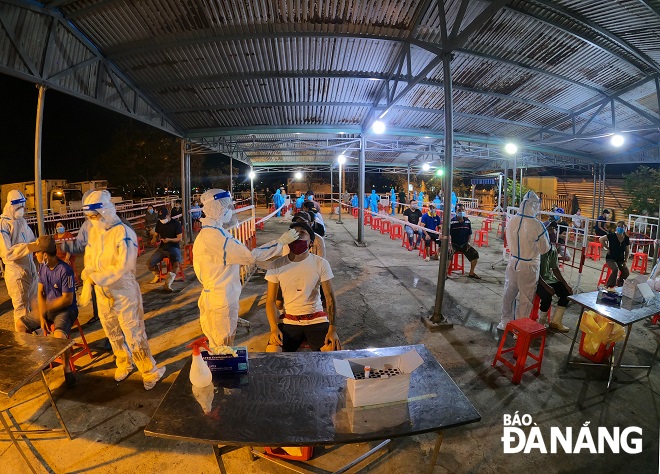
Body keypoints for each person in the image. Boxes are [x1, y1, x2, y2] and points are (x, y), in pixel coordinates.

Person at [192, 189, 298, 353]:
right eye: (226, 207)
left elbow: (228, 261)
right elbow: (249, 256)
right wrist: (280, 243)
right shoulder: (217, 237)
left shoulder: (207, 234)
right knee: (223, 349)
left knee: (216, 346)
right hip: (222, 299)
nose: (229, 211)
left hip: (212, 296)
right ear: (216, 209)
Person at [80, 190, 166, 390]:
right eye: (90, 218)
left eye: (95, 216)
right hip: (102, 292)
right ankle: (124, 362)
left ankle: (148, 369)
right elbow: (89, 259)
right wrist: (87, 279)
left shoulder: (123, 232)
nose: (93, 221)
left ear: (106, 212)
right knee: (111, 330)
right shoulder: (94, 232)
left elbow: (123, 266)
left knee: (133, 331)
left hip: (123, 290)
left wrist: (95, 278)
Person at [265, 221, 340, 352]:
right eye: (294, 232)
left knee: (333, 351)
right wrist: (274, 329)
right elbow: (270, 301)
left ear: (311, 242)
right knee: (272, 352)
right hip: (289, 320)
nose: (298, 235)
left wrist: (332, 330)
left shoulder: (321, 263)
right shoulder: (276, 265)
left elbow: (330, 298)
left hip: (316, 319)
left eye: (302, 233)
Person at [16, 236, 78, 387]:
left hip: (65, 310)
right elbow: (40, 292)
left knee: (59, 337)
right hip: (48, 309)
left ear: (44, 254)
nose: (34, 255)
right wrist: (42, 315)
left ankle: (67, 369)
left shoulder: (65, 270)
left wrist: (46, 308)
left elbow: (67, 300)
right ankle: (39, 359)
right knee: (20, 325)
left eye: (36, 252)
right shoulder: (42, 267)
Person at [499, 191, 551, 330]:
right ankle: (519, 329)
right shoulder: (537, 225)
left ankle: (505, 322)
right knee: (525, 298)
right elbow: (545, 249)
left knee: (509, 292)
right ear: (533, 206)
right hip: (529, 265)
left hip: (513, 261)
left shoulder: (512, 220)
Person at [0, 190, 40, 330]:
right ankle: (25, 344)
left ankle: (40, 340)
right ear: (10, 206)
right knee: (21, 310)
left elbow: (31, 240)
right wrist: (29, 247)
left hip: (30, 270)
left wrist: (39, 243)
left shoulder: (22, 221)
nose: (21, 210)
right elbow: (7, 253)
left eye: (22, 207)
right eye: (18, 208)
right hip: (16, 273)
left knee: (35, 306)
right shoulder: (3, 224)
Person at [535, 222, 573, 332]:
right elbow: (534, 271)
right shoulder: (536, 248)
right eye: (550, 229)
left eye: (554, 229)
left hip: (548, 279)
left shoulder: (552, 248)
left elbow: (555, 270)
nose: (553, 231)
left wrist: (566, 284)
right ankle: (540, 323)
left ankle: (556, 322)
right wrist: (546, 286)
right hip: (536, 280)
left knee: (567, 293)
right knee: (547, 296)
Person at [146, 207, 182, 292]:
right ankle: (157, 275)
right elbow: (156, 234)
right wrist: (154, 239)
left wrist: (169, 239)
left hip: (173, 247)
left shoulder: (176, 223)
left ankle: (168, 283)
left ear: (168, 215)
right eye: (160, 218)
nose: (162, 220)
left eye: (163, 218)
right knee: (149, 263)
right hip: (162, 248)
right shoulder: (159, 223)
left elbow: (179, 238)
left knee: (176, 264)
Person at [450, 204, 481, 279]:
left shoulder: (467, 222)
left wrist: (468, 243)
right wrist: (450, 245)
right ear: (456, 211)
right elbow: (449, 234)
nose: (461, 211)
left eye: (463, 210)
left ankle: (471, 272)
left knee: (475, 254)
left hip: (464, 244)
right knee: (448, 254)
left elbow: (469, 234)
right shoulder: (452, 222)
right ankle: (445, 274)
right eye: (459, 210)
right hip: (454, 244)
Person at [599, 221, 630, 288]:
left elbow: (627, 250)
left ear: (625, 229)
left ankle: (619, 282)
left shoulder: (626, 238)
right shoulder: (612, 236)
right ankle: (609, 286)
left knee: (626, 272)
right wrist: (607, 248)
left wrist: (626, 260)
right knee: (615, 269)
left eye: (622, 227)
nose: (620, 228)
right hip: (611, 258)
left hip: (620, 259)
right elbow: (601, 239)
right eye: (618, 226)